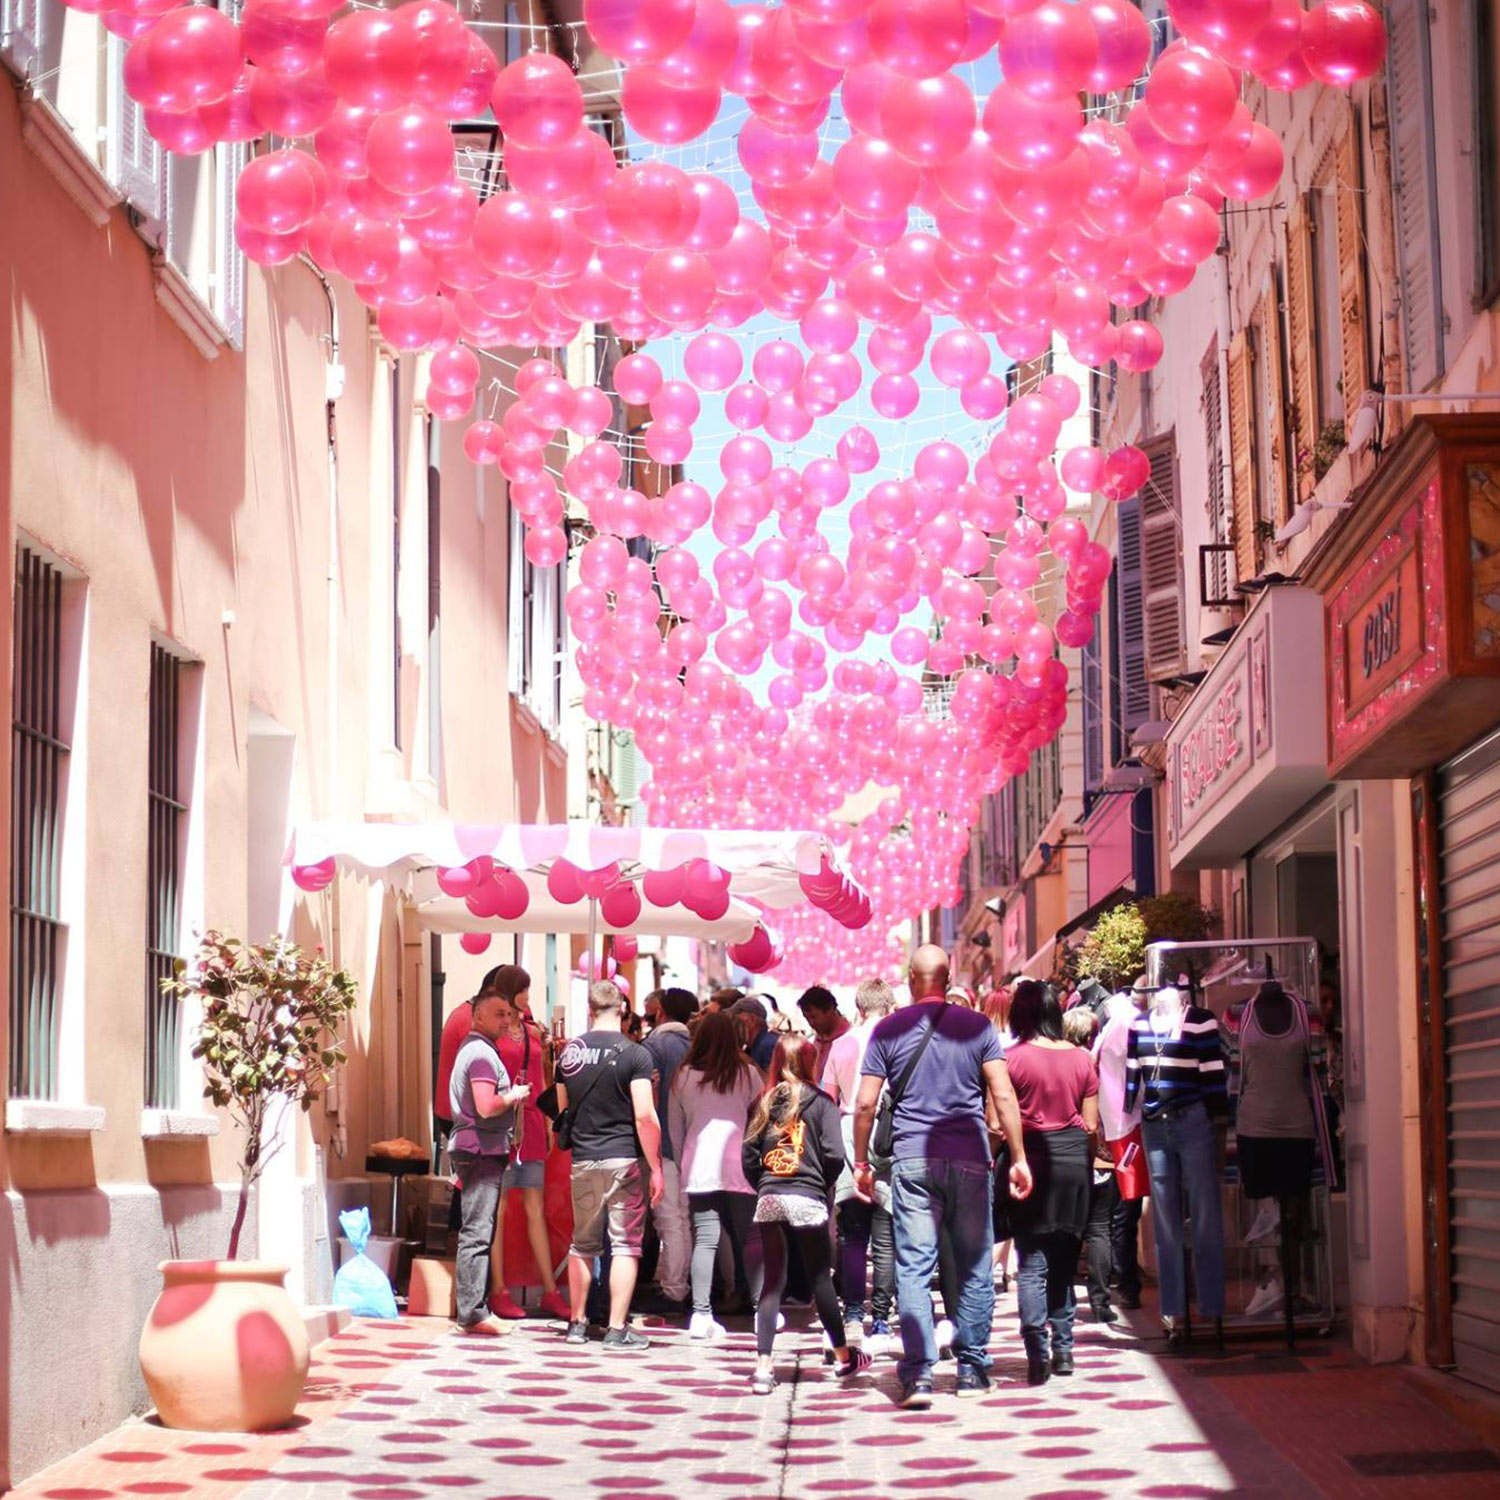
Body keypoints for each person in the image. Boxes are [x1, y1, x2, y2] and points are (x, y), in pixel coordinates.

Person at [853, 944, 1032, 1408]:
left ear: (911, 978)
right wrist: (1018, 1155)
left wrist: (861, 1161)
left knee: (913, 1266)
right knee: (974, 1265)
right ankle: (972, 1369)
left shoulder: (888, 1030)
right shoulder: (977, 1028)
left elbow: (867, 1104)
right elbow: (1004, 1094)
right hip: (971, 1157)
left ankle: (919, 1376)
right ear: (948, 978)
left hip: (913, 1160)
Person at [742, 1035, 873, 1395]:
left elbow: (749, 1156)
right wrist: (822, 1186)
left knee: (773, 1281)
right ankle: (845, 1356)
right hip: (808, 1195)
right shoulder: (822, 1103)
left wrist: (765, 1185)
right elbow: (833, 1154)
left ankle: (763, 1367)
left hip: (769, 1195)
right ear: (810, 1062)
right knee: (820, 1279)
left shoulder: (762, 1102)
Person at [555, 980, 665, 1351]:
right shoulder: (635, 1054)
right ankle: (617, 1328)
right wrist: (657, 1166)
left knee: (582, 1244)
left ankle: (577, 1322)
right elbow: (644, 1116)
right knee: (624, 1245)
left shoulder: (569, 1053)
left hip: (583, 1159)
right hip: (622, 1159)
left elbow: (563, 1108)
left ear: (589, 1009)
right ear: (622, 1009)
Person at [1006, 982, 1100, 1385]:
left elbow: (996, 1122)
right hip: (1073, 1163)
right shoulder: (1081, 1058)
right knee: (1064, 1261)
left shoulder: (1010, 1059)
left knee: (1031, 1262)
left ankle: (1035, 1351)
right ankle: (1064, 1350)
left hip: (1029, 1161)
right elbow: (1092, 1124)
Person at [668, 1008, 766, 1339]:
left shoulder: (683, 1076)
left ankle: (701, 1314)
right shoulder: (748, 1075)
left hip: (699, 1165)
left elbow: (675, 1127)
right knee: (750, 1237)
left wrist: (685, 1162)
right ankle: (760, 1309)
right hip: (738, 1161)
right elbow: (758, 1119)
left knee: (705, 1240)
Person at [485, 968, 570, 1322]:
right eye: (522, 990)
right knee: (499, 1211)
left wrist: (551, 1121)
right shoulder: (493, 1032)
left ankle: (550, 1290)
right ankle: (498, 1289)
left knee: (535, 1208)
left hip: (533, 1122)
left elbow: (544, 1078)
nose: (527, 996)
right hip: (503, 1124)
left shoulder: (533, 1031)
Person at [448, 984, 533, 1335]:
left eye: (509, 1015)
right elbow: (485, 1106)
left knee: (478, 1230)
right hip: (480, 1149)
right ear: (478, 1015)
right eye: (499, 1014)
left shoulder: (477, 1050)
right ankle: (472, 1314)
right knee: (478, 1232)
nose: (506, 1021)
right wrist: (512, 1096)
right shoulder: (481, 1054)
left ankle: (473, 1309)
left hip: (479, 1148)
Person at [822, 976, 897, 1353]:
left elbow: (827, 1099)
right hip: (889, 1137)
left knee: (853, 1235)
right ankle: (882, 1319)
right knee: (886, 1237)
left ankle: (853, 1314)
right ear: (889, 1006)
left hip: (849, 1135)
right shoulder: (898, 1040)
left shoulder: (842, 1046)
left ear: (859, 1007)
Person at [642, 987, 697, 1316]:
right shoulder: (695, 1046)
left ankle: (674, 1289)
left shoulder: (654, 1046)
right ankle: (679, 1284)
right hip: (691, 1143)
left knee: (670, 1219)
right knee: (684, 1219)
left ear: (661, 1011)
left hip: (663, 1143)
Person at [1062, 1004, 1116, 1326]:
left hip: (1068, 1158)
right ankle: (1100, 1302)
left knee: (1069, 1230)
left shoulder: (1062, 1062)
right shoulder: (1098, 1061)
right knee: (1099, 1230)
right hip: (1101, 1157)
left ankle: (1065, 1300)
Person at [1095, 978, 1147, 1311]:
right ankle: (1127, 1280)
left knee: (1124, 1208)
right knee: (1126, 1209)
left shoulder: (1111, 1026)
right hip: (1130, 1125)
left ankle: (1126, 1277)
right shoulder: (1127, 1024)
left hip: (1120, 1126)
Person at [798, 985, 851, 1079]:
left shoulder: (849, 1039)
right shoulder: (813, 1041)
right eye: (807, 1018)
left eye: (814, 1017)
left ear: (829, 1010)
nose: (811, 1023)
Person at [731, 994, 779, 1071]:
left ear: (752, 1020)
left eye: (737, 1021)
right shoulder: (753, 1046)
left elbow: (771, 1081)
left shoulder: (768, 1045)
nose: (733, 1024)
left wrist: (747, 1060)